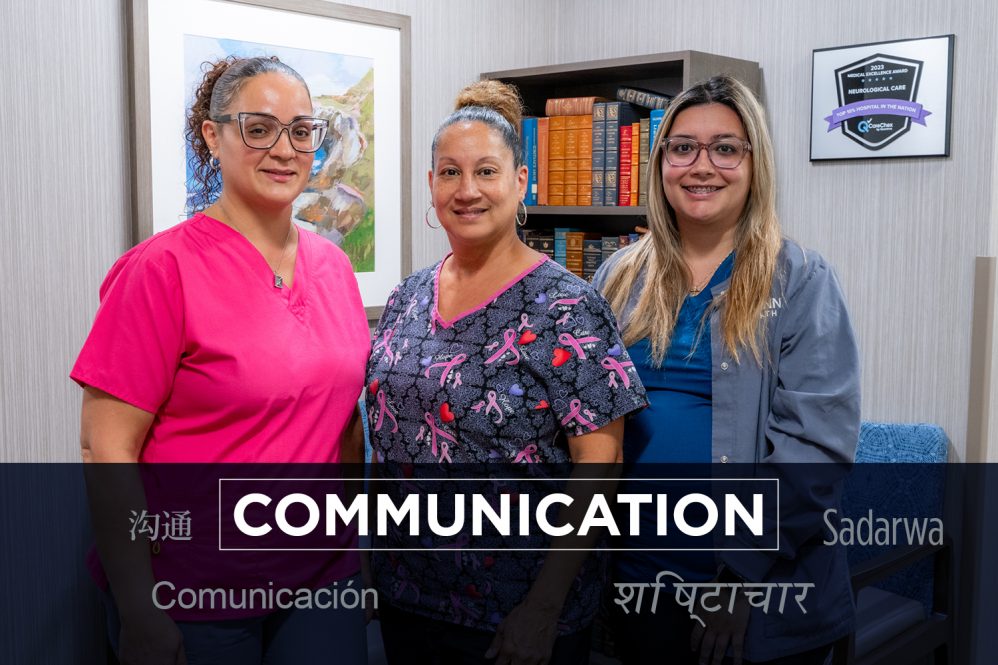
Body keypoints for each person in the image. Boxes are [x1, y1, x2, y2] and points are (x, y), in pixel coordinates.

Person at [71, 56, 370, 664]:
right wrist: (138, 608)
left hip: (319, 578)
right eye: (258, 128)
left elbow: (344, 423)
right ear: (214, 136)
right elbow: (107, 450)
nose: (283, 149)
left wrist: (355, 553)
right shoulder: (161, 270)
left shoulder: (334, 267)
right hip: (192, 589)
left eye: (301, 130)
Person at [364, 80, 648, 665]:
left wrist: (543, 608)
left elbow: (602, 463)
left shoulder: (567, 307)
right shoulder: (406, 297)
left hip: (516, 612)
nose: (467, 190)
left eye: (486, 171)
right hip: (408, 594)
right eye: (450, 172)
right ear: (431, 185)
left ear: (521, 182)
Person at [593, 75, 860, 664]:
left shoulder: (800, 279)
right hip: (634, 577)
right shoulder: (616, 276)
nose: (701, 165)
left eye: (725, 147)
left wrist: (739, 578)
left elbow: (815, 446)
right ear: (661, 161)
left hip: (752, 591)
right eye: (682, 147)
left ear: (753, 162)